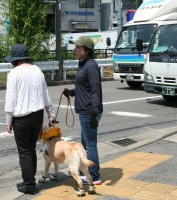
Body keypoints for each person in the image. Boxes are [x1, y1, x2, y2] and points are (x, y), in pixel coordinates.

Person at [4, 44, 56, 195]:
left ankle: (29, 185)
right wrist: (51, 115)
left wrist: (8, 121)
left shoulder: (14, 73)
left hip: (21, 118)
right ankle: (30, 180)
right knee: (31, 149)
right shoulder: (37, 70)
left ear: (15, 60)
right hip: (37, 116)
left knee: (24, 152)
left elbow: (10, 100)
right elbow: (46, 95)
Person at [63, 36, 103, 185]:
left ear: (86, 50)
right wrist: (72, 92)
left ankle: (95, 176)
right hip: (86, 111)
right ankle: (85, 170)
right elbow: (84, 87)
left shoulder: (91, 66)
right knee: (85, 144)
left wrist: (94, 111)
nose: (75, 50)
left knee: (90, 144)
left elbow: (95, 91)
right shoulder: (83, 64)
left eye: (78, 48)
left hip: (89, 111)